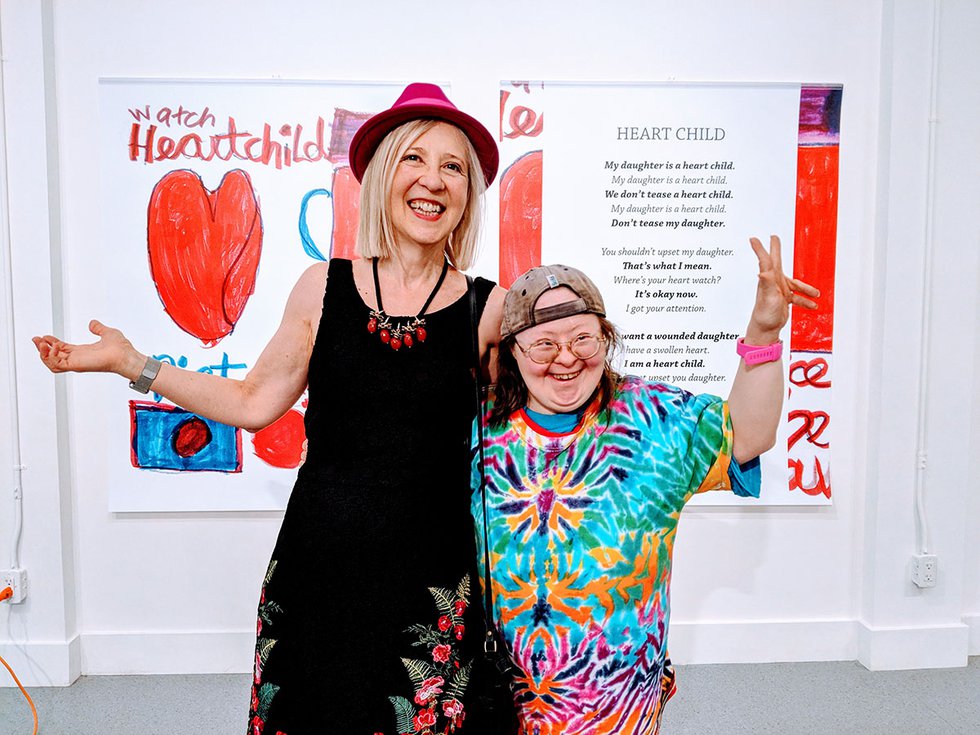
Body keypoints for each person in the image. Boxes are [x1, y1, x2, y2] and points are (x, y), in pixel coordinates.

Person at [34, 83, 512, 734]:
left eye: (452, 165)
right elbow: (253, 400)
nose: (433, 180)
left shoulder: (490, 309)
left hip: (433, 580)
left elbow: (533, 437)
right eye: (414, 158)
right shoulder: (322, 288)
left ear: (467, 193)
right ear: (381, 176)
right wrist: (133, 362)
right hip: (320, 568)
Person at [472, 242, 819, 734]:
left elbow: (748, 434)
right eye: (544, 344)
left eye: (583, 339)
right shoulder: (480, 431)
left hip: (621, 709)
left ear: (605, 338)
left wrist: (764, 330)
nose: (566, 358)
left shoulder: (652, 417)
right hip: (500, 704)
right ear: (513, 353)